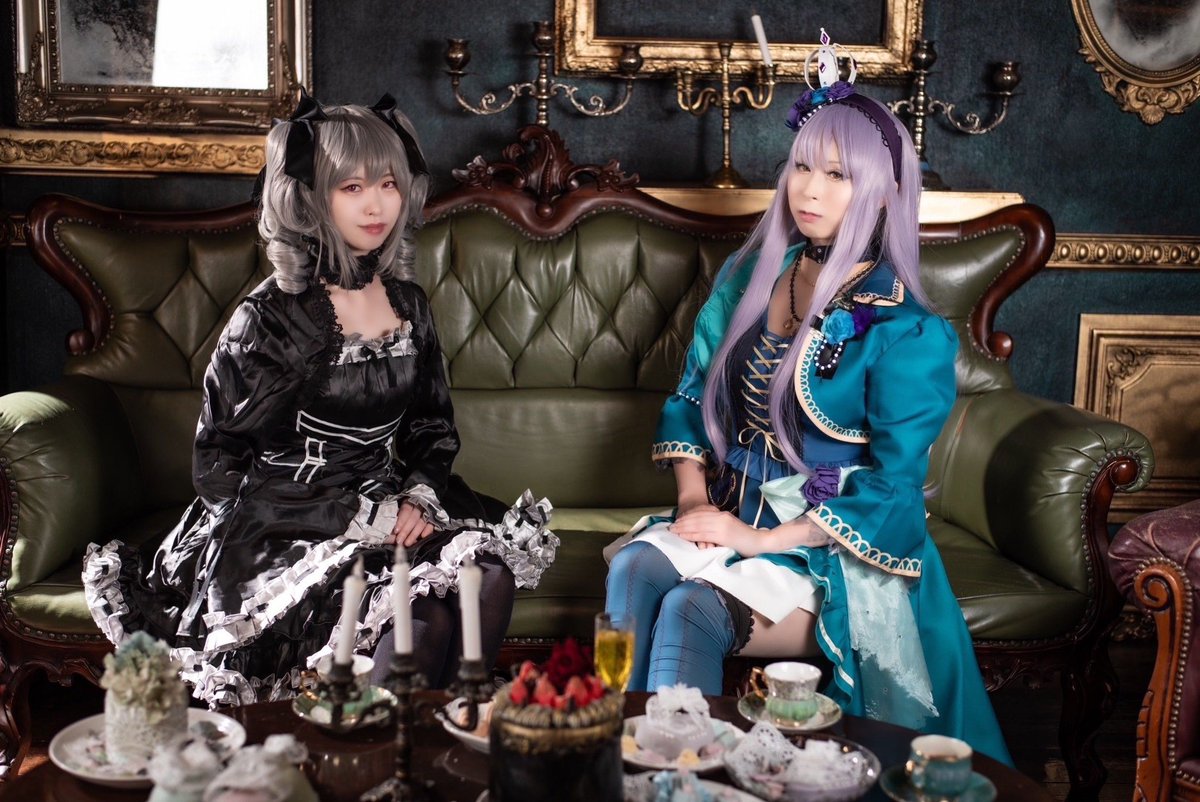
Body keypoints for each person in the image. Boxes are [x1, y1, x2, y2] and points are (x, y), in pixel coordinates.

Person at [604, 31, 1011, 762]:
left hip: (829, 549)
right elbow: (691, 396)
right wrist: (694, 502)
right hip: (727, 514)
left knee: (691, 609)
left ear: (882, 193)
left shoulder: (909, 332)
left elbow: (892, 491)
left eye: (838, 175)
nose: (810, 190)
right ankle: (616, 759)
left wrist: (758, 540)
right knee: (634, 568)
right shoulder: (751, 277)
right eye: (801, 166)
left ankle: (681, 779)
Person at [83, 91, 558, 705]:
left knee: (485, 577)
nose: (376, 204)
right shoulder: (271, 317)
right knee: (420, 617)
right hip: (286, 521)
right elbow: (219, 464)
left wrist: (418, 493)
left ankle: (445, 740)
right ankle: (365, 750)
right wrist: (350, 518)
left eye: (388, 183)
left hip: (389, 501)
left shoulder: (408, 303)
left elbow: (431, 428)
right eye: (351, 187)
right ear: (310, 197)